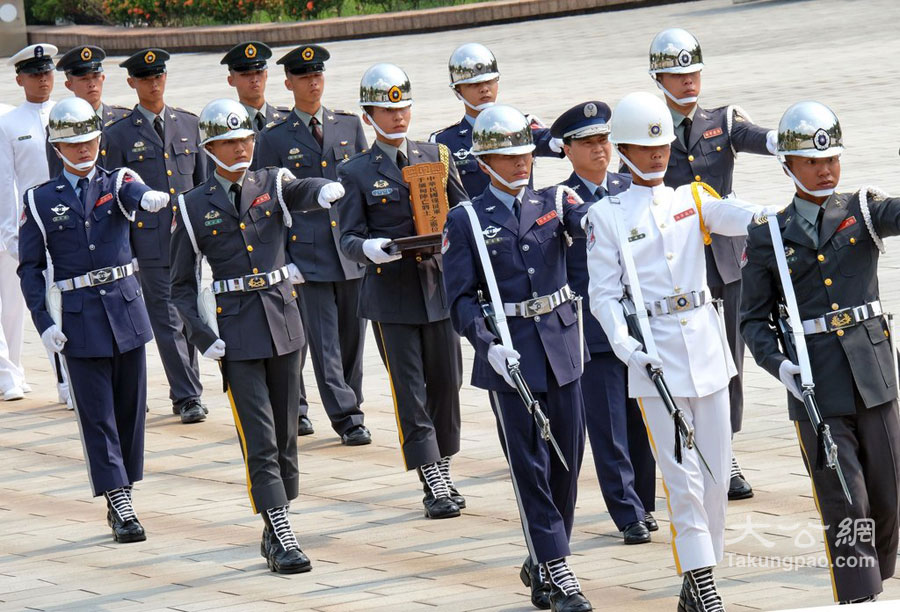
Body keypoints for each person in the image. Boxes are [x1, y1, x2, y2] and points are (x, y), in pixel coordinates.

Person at [585, 91, 770, 612]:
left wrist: (774, 214)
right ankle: (703, 577)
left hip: (707, 346)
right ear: (622, 149)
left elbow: (731, 214)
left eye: (663, 143)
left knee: (717, 466)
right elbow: (602, 295)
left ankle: (700, 572)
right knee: (681, 473)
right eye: (646, 147)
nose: (658, 153)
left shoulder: (690, 197)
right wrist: (625, 347)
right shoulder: (608, 216)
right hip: (656, 355)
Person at [170, 99, 344, 572]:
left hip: (284, 321)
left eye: (246, 137)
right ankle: (282, 530)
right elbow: (180, 287)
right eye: (229, 141)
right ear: (209, 146)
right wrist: (204, 337)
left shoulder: (272, 181)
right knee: (260, 435)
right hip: (237, 332)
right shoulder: (191, 205)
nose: (242, 146)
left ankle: (275, 521)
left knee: (287, 432)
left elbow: (301, 190)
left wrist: (323, 190)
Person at [740, 101, 900, 605]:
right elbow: (752, 318)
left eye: (832, 158)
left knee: (890, 496)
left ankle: (879, 574)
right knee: (845, 503)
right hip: (815, 385)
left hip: (874, 376)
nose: (826, 168)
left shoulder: (864, 209)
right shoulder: (767, 233)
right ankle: (860, 596)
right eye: (812, 160)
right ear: (788, 165)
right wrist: (780, 366)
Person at [443, 104, 593, 612]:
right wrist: (487, 345)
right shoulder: (465, 219)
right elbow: (459, 299)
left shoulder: (555, 199)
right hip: (512, 358)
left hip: (563, 346)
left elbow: (593, 231)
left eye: (525, 152)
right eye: (508, 156)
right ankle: (560, 567)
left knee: (567, 463)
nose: (520, 162)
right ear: (485, 162)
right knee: (529, 466)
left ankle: (545, 555)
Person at [18, 97, 170, 543]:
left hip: (124, 309)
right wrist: (43, 322)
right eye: (73, 143)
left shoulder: (119, 179)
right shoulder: (40, 199)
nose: (83, 149)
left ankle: (123, 485)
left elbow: (135, 193)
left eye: (89, 140)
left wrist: (150, 199)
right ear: (57, 147)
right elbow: (30, 267)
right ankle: (120, 501)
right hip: (78, 318)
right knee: (96, 414)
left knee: (129, 410)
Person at [649, 27, 777, 500]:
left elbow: (759, 137)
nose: (688, 81)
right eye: (677, 73)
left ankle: (728, 450)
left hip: (726, 260)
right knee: (690, 357)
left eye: (693, 70)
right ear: (658, 76)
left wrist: (789, 141)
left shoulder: (721, 120)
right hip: (677, 262)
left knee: (730, 357)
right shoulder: (648, 125)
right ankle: (690, 442)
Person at [336, 63, 467, 519]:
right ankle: (433, 478)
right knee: (410, 389)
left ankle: (444, 465)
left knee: (447, 384)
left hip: (439, 288)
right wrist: (372, 248)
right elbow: (347, 238)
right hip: (393, 295)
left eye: (403, 106)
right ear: (368, 115)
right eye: (386, 110)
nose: (398, 116)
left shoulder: (436, 155)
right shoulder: (354, 171)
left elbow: (464, 210)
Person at [550, 101, 658, 546]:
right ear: (567, 149)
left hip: (642, 323)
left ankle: (646, 503)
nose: (600, 149)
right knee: (609, 424)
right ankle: (627, 511)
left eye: (604, 140)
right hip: (593, 330)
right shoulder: (557, 199)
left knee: (643, 419)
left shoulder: (629, 186)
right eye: (588, 142)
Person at [254, 44, 371, 445]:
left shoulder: (348, 125)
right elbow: (266, 201)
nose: (313, 82)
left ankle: (352, 400)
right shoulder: (273, 138)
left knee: (354, 340)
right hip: (310, 253)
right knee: (324, 344)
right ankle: (347, 417)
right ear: (288, 83)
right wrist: (283, 258)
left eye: (317, 74)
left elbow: (365, 185)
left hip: (352, 250)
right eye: (304, 76)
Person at [105, 48, 209, 424]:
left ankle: (186, 390)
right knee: (165, 318)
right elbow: (114, 194)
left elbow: (201, 186)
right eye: (145, 77)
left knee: (189, 313)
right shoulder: (117, 134)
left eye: (159, 75)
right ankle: (187, 395)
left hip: (187, 238)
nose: (154, 83)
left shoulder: (188, 123)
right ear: (132, 82)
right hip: (147, 241)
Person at [0, 43, 58, 403]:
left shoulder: (64, 114)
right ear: (20, 78)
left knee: (20, 304)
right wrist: (11, 232)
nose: (42, 79)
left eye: (46, 72)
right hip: (19, 226)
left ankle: (25, 369)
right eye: (34, 74)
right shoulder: (10, 122)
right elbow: (7, 183)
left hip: (50, 223)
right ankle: (7, 373)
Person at [430, 42, 561, 198]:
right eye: (474, 84)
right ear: (458, 90)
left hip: (523, 218)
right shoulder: (443, 142)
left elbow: (556, 142)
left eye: (490, 81)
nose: (484, 89)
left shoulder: (522, 124)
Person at [46, 45, 131, 177]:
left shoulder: (124, 119)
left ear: (103, 78)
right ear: (69, 85)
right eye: (84, 79)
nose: (92, 83)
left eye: (96, 76)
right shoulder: (61, 126)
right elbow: (58, 177)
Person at [221, 41, 288, 133]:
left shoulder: (287, 119)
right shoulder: (226, 125)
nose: (254, 79)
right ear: (231, 80)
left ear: (266, 75)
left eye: (259, 72)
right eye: (245, 74)